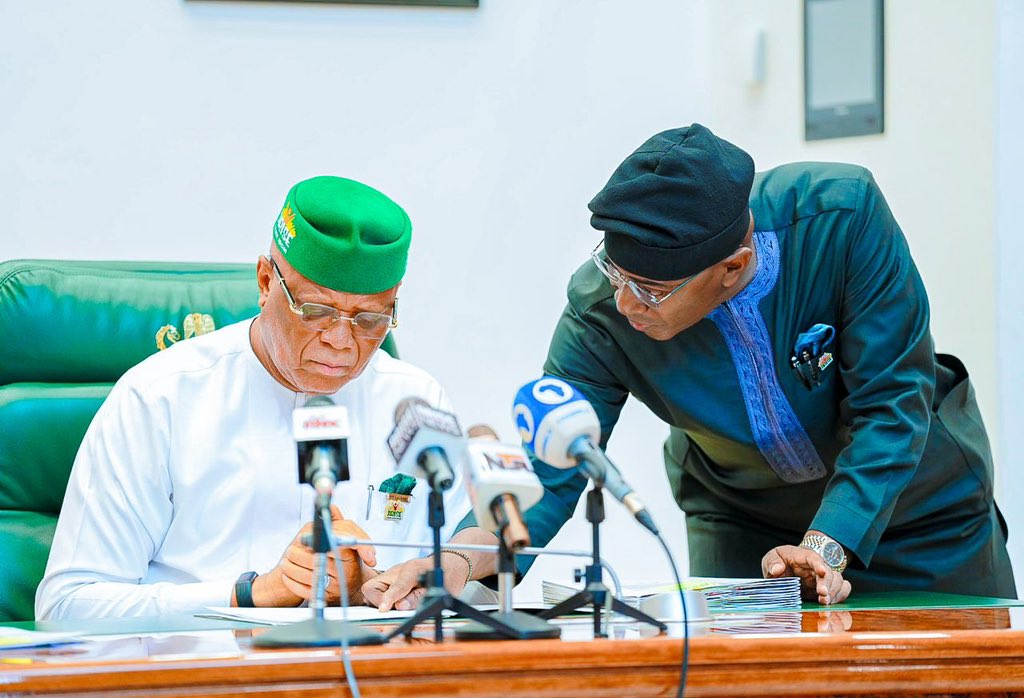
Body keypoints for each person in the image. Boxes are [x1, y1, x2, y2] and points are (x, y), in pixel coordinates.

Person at [370, 123, 1017, 609]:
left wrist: (826, 545)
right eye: (612, 271)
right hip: (744, 522)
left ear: (732, 269)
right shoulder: (599, 312)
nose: (625, 303)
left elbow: (892, 404)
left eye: (649, 289)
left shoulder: (840, 220)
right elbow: (553, 464)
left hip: (916, 514)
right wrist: (456, 557)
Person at [36, 176, 479, 620]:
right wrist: (254, 594)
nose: (342, 343)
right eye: (317, 312)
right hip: (203, 676)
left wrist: (405, 582)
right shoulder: (159, 399)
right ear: (267, 282)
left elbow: (468, 560)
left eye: (369, 319)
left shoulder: (415, 401)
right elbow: (66, 606)